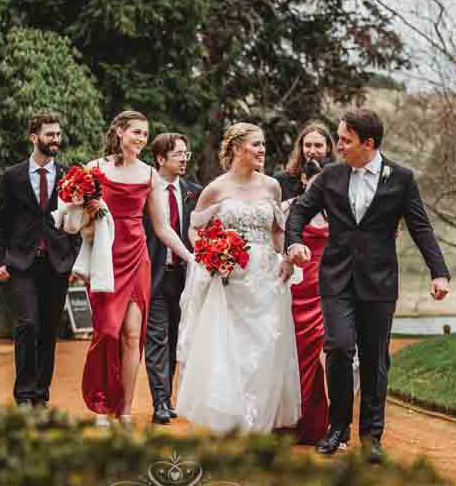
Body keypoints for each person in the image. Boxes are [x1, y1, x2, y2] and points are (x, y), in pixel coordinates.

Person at [285, 108, 451, 462]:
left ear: (368, 143)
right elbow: (299, 211)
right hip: (336, 279)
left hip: (379, 283)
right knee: (340, 348)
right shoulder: (330, 176)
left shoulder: (401, 179)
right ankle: (337, 428)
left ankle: (372, 435)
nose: (339, 145)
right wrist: (294, 241)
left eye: (346, 139)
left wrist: (439, 272)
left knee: (375, 358)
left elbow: (420, 227)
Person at [175, 122, 302, 433]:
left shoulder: (272, 186)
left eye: (263, 145)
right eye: (255, 144)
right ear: (235, 148)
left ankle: (256, 425)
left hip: (265, 279)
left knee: (265, 350)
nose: (262, 150)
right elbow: (195, 228)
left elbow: (277, 231)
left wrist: (286, 258)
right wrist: (209, 252)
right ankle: (230, 422)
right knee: (231, 350)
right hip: (230, 279)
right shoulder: (216, 188)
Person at [80, 111, 194, 427]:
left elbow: (163, 228)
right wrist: (88, 208)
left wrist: (190, 255)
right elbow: (74, 216)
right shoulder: (94, 168)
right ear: (118, 132)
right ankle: (102, 404)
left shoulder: (149, 175)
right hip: (105, 258)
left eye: (145, 134)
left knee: (133, 336)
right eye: (136, 133)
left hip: (137, 258)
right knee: (106, 331)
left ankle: (125, 410)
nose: (142, 139)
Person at [0, 110, 83, 408]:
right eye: (49, 135)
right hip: (22, 262)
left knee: (47, 330)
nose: (55, 139)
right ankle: (24, 394)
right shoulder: (13, 176)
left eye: (58, 134)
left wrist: (73, 258)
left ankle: (41, 395)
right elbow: (2, 219)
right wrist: (2, 259)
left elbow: (78, 220)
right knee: (27, 325)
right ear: (34, 138)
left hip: (57, 263)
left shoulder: (71, 176)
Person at [142, 133, 201, 425]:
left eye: (186, 153)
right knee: (156, 337)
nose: (184, 158)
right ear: (160, 159)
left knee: (177, 337)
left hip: (185, 277)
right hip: (153, 273)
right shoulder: (144, 192)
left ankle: (168, 395)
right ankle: (161, 401)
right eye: (178, 154)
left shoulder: (194, 192)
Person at [280, 158, 330, 445]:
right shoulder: (289, 209)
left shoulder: (335, 212)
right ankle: (287, 419)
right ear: (304, 181)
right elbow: (278, 241)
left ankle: (318, 424)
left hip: (324, 288)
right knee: (292, 353)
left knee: (321, 353)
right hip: (294, 286)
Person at [275, 122, 335, 201]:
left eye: (318, 145)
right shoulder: (282, 180)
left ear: (328, 148)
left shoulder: (338, 178)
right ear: (301, 147)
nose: (312, 151)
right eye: (307, 145)